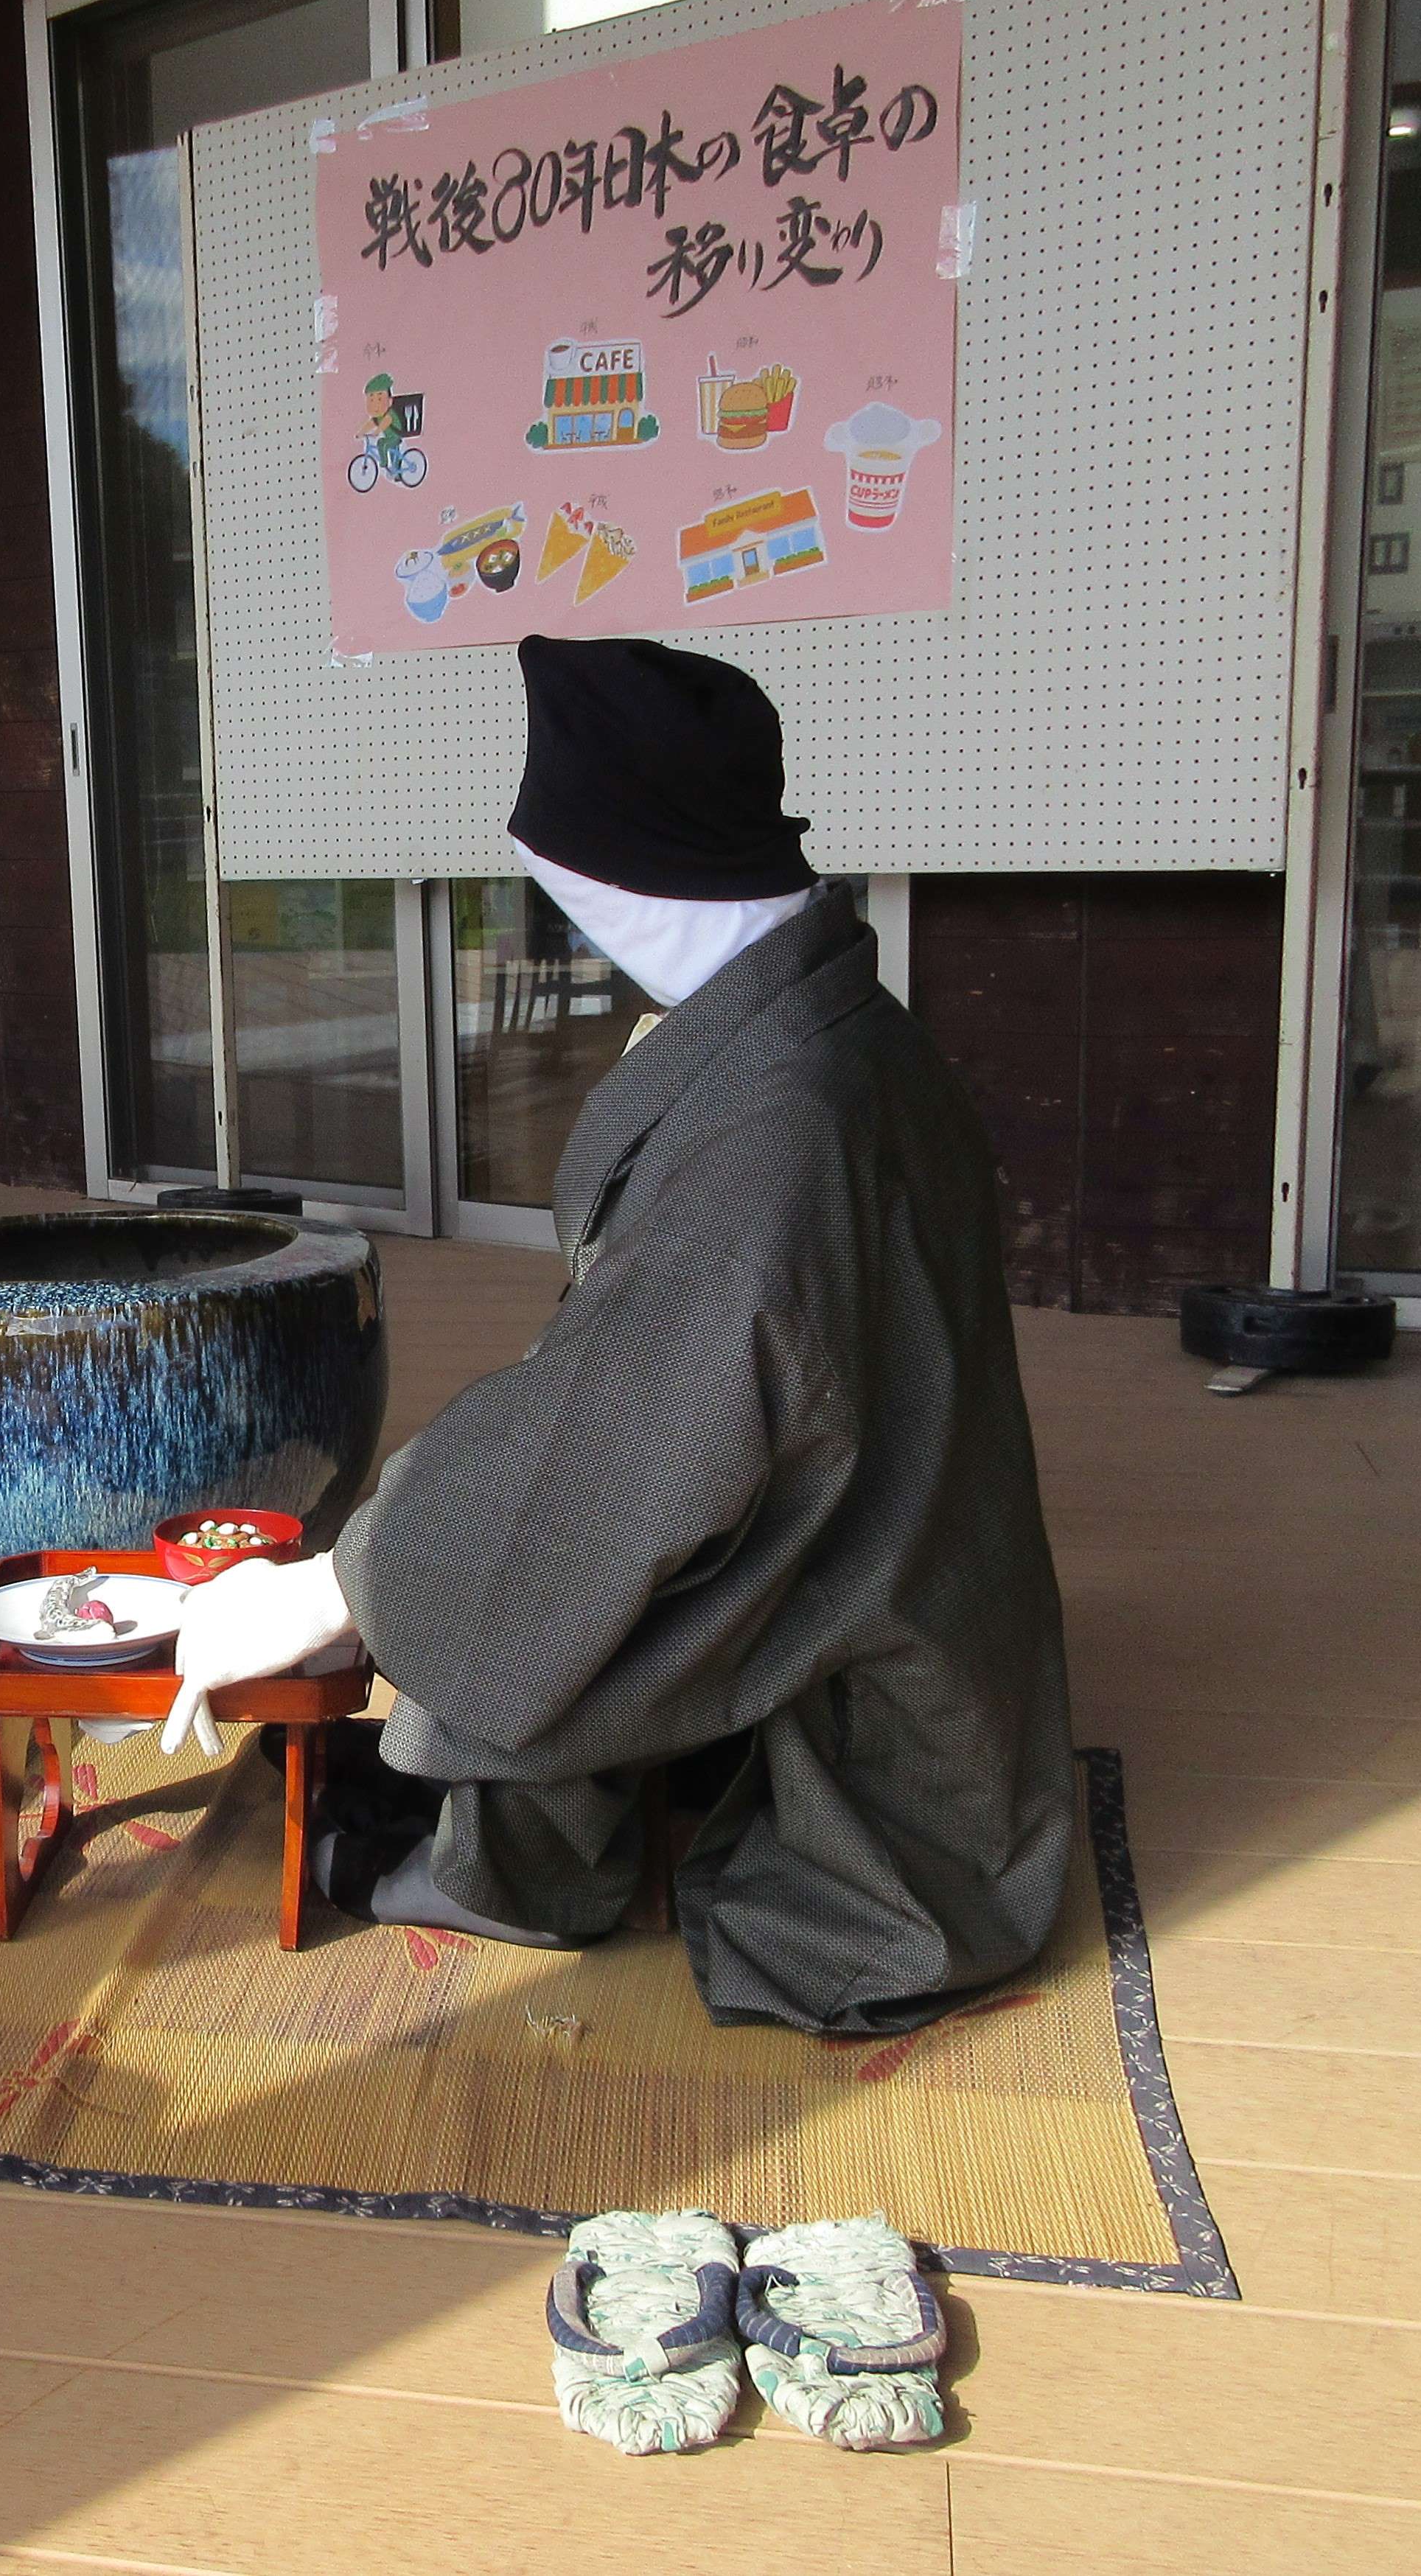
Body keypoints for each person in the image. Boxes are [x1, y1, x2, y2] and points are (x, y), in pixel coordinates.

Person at [167, 636, 1073, 2036]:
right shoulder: (838, 1023)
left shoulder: (782, 1129)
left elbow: (613, 1451)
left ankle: (510, 1876)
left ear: (624, 880)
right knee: (528, 1521)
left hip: (866, 1607)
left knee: (530, 1562)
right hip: (878, 1519)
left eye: (565, 886)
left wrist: (337, 1586)